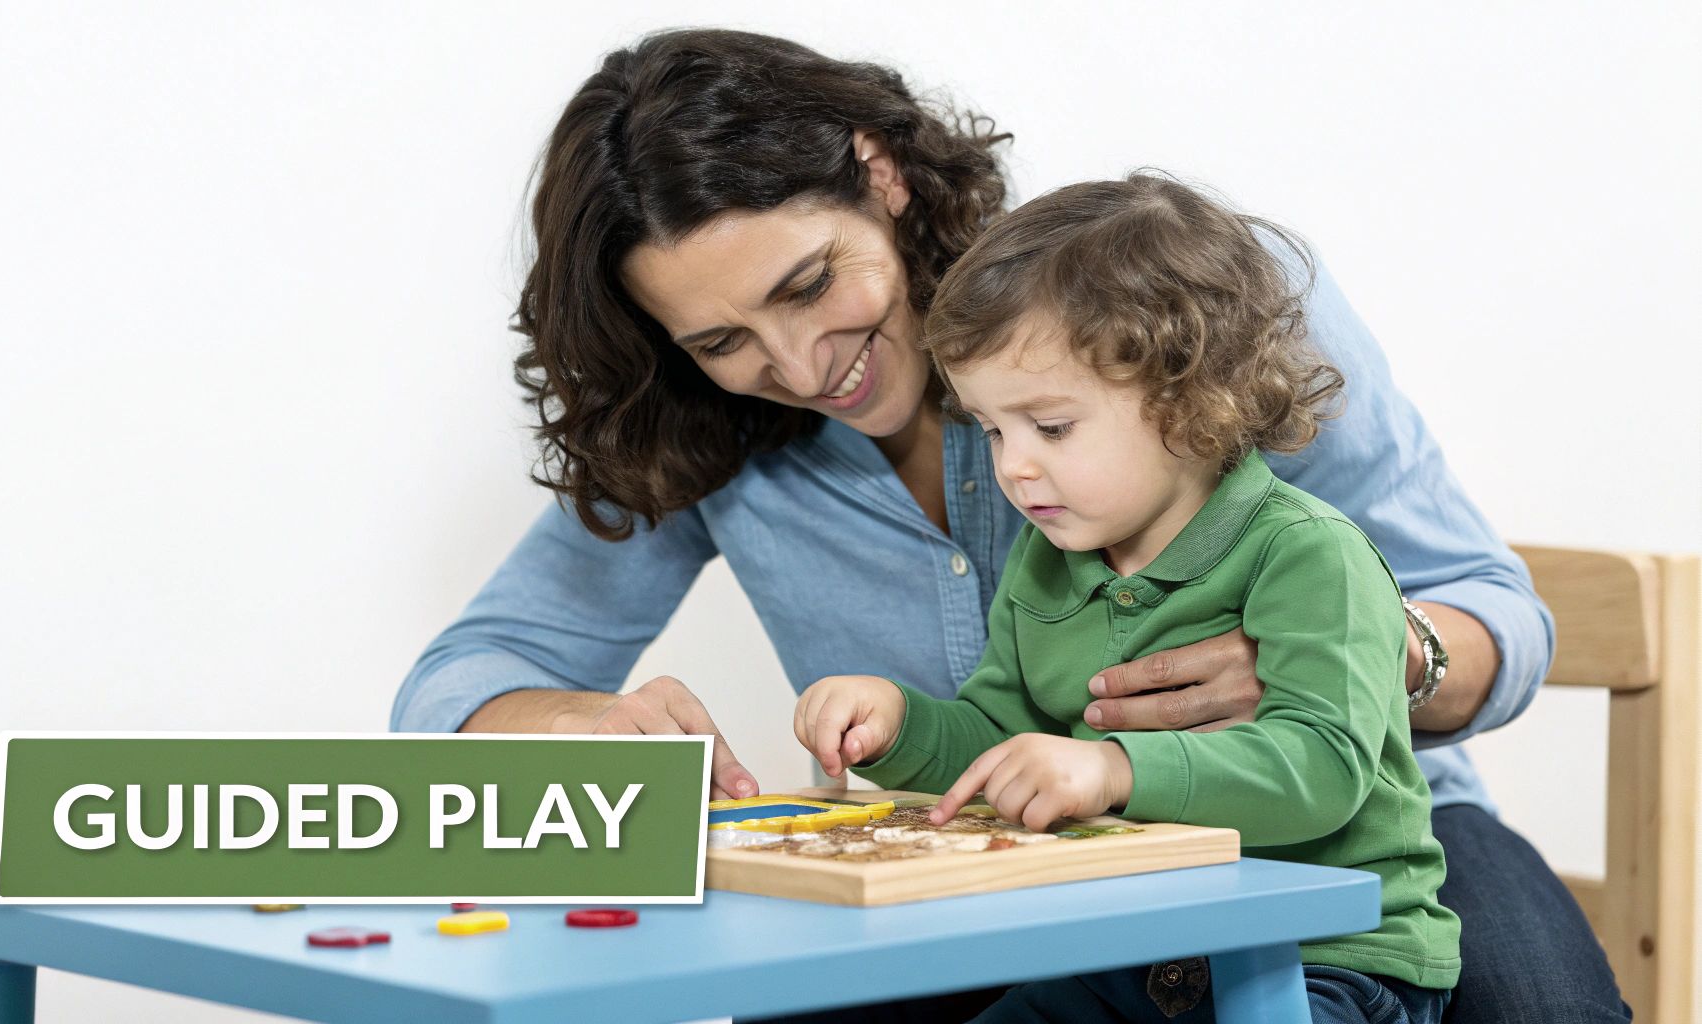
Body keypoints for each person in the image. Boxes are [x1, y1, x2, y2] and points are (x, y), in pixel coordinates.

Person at [390, 28, 1626, 1022]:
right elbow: (463, 678)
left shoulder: (1180, 306)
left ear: (879, 172)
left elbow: (1494, 609)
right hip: (980, 868)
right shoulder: (703, 435)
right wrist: (582, 721)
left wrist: (1356, 656)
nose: (799, 364)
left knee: (1535, 1007)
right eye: (721, 341)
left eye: (811, 284)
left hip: (1348, 836)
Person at [796, 174, 1457, 1022]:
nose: (1014, 467)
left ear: (1190, 400)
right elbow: (1001, 739)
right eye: (995, 429)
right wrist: (898, 723)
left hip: (1322, 956)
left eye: (1053, 427)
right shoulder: (1046, 561)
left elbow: (1320, 770)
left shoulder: (1310, 554)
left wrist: (1112, 768)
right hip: (1121, 948)